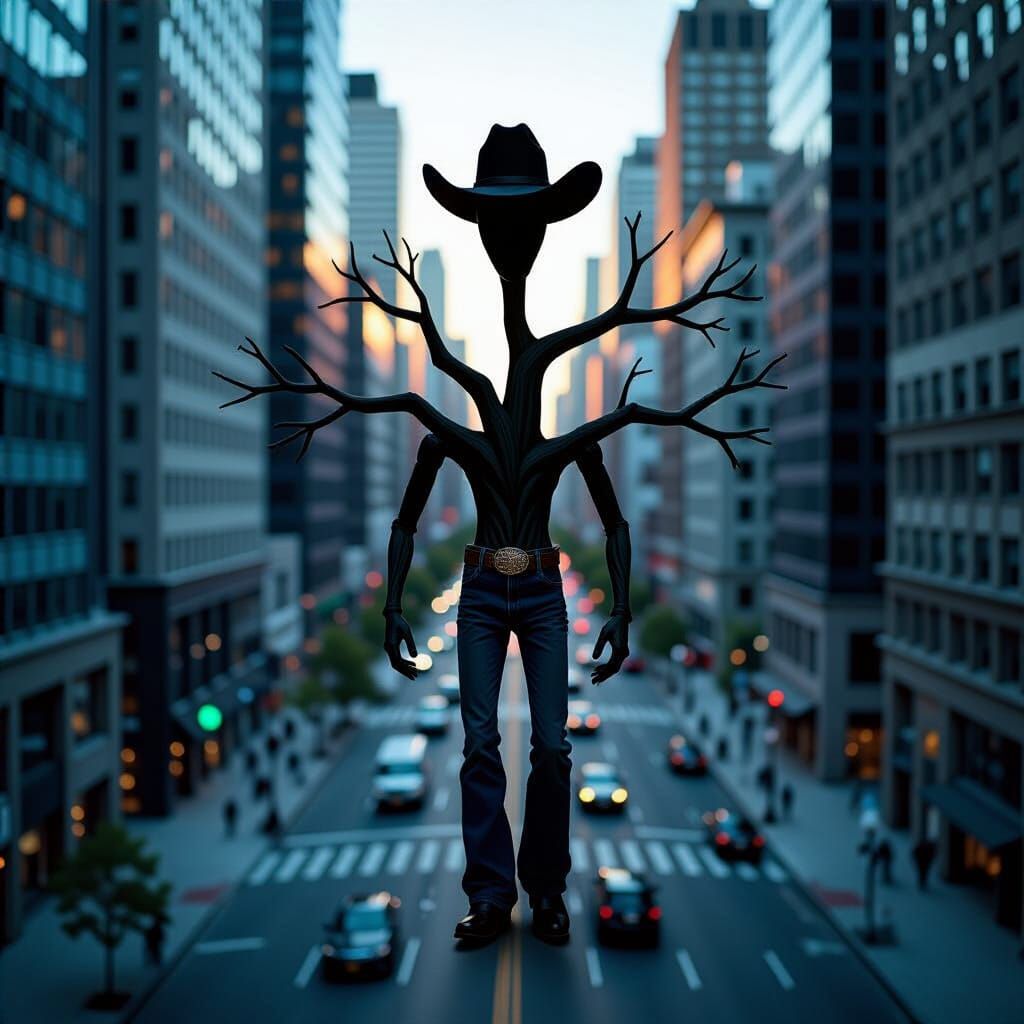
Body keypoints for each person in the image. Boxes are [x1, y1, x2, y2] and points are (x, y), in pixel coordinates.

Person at [216, 123, 776, 950]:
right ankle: (491, 894)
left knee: (550, 749)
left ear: (542, 234)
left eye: (525, 223)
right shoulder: (451, 426)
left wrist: (620, 610)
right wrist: (390, 609)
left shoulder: (570, 438)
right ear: (481, 235)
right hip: (478, 591)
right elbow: (406, 520)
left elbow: (618, 522)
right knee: (481, 746)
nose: (510, 238)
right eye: (495, 223)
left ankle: (545, 887)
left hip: (546, 589)